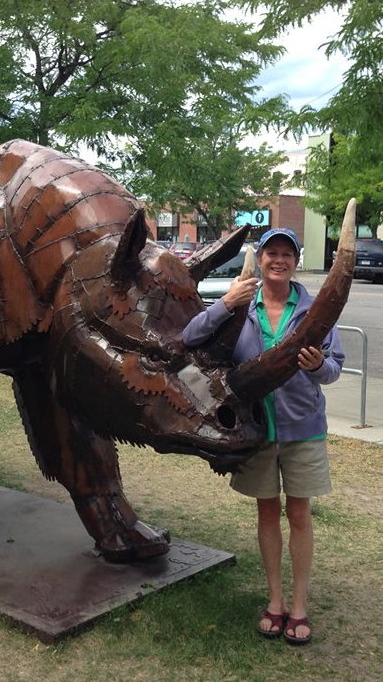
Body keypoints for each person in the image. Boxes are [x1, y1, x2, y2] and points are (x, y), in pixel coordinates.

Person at [182, 227, 345, 646]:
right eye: (272, 252)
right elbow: (189, 338)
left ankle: (299, 605)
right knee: (267, 513)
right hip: (254, 429)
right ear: (262, 258)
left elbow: (334, 368)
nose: (278, 260)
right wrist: (225, 303)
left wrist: (317, 367)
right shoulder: (242, 304)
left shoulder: (313, 310)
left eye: (287, 254)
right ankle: (275, 600)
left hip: (303, 429)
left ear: (295, 261)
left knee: (300, 515)